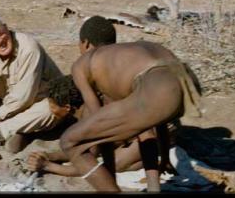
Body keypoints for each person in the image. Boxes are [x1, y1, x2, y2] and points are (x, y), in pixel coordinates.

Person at [59, 15, 203, 192]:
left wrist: (109, 175)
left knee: (69, 141)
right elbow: (152, 125)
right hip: (187, 81)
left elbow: (99, 128)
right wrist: (164, 157)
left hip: (159, 85)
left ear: (85, 43)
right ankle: (153, 188)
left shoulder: (83, 64)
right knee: (141, 127)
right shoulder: (127, 56)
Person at [27, 73, 180, 185]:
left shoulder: (90, 116)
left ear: (67, 107)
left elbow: (90, 166)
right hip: (148, 121)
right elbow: (86, 150)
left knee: (116, 164)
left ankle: (154, 159)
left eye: (52, 105)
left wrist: (48, 166)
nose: (50, 109)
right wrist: (50, 155)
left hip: (157, 128)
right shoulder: (88, 105)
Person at [0, 12, 65, 153]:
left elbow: (24, 97)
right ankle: (16, 134)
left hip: (41, 102)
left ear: (7, 28)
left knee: (48, 110)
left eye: (0, 34)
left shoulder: (28, 48)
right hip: (11, 107)